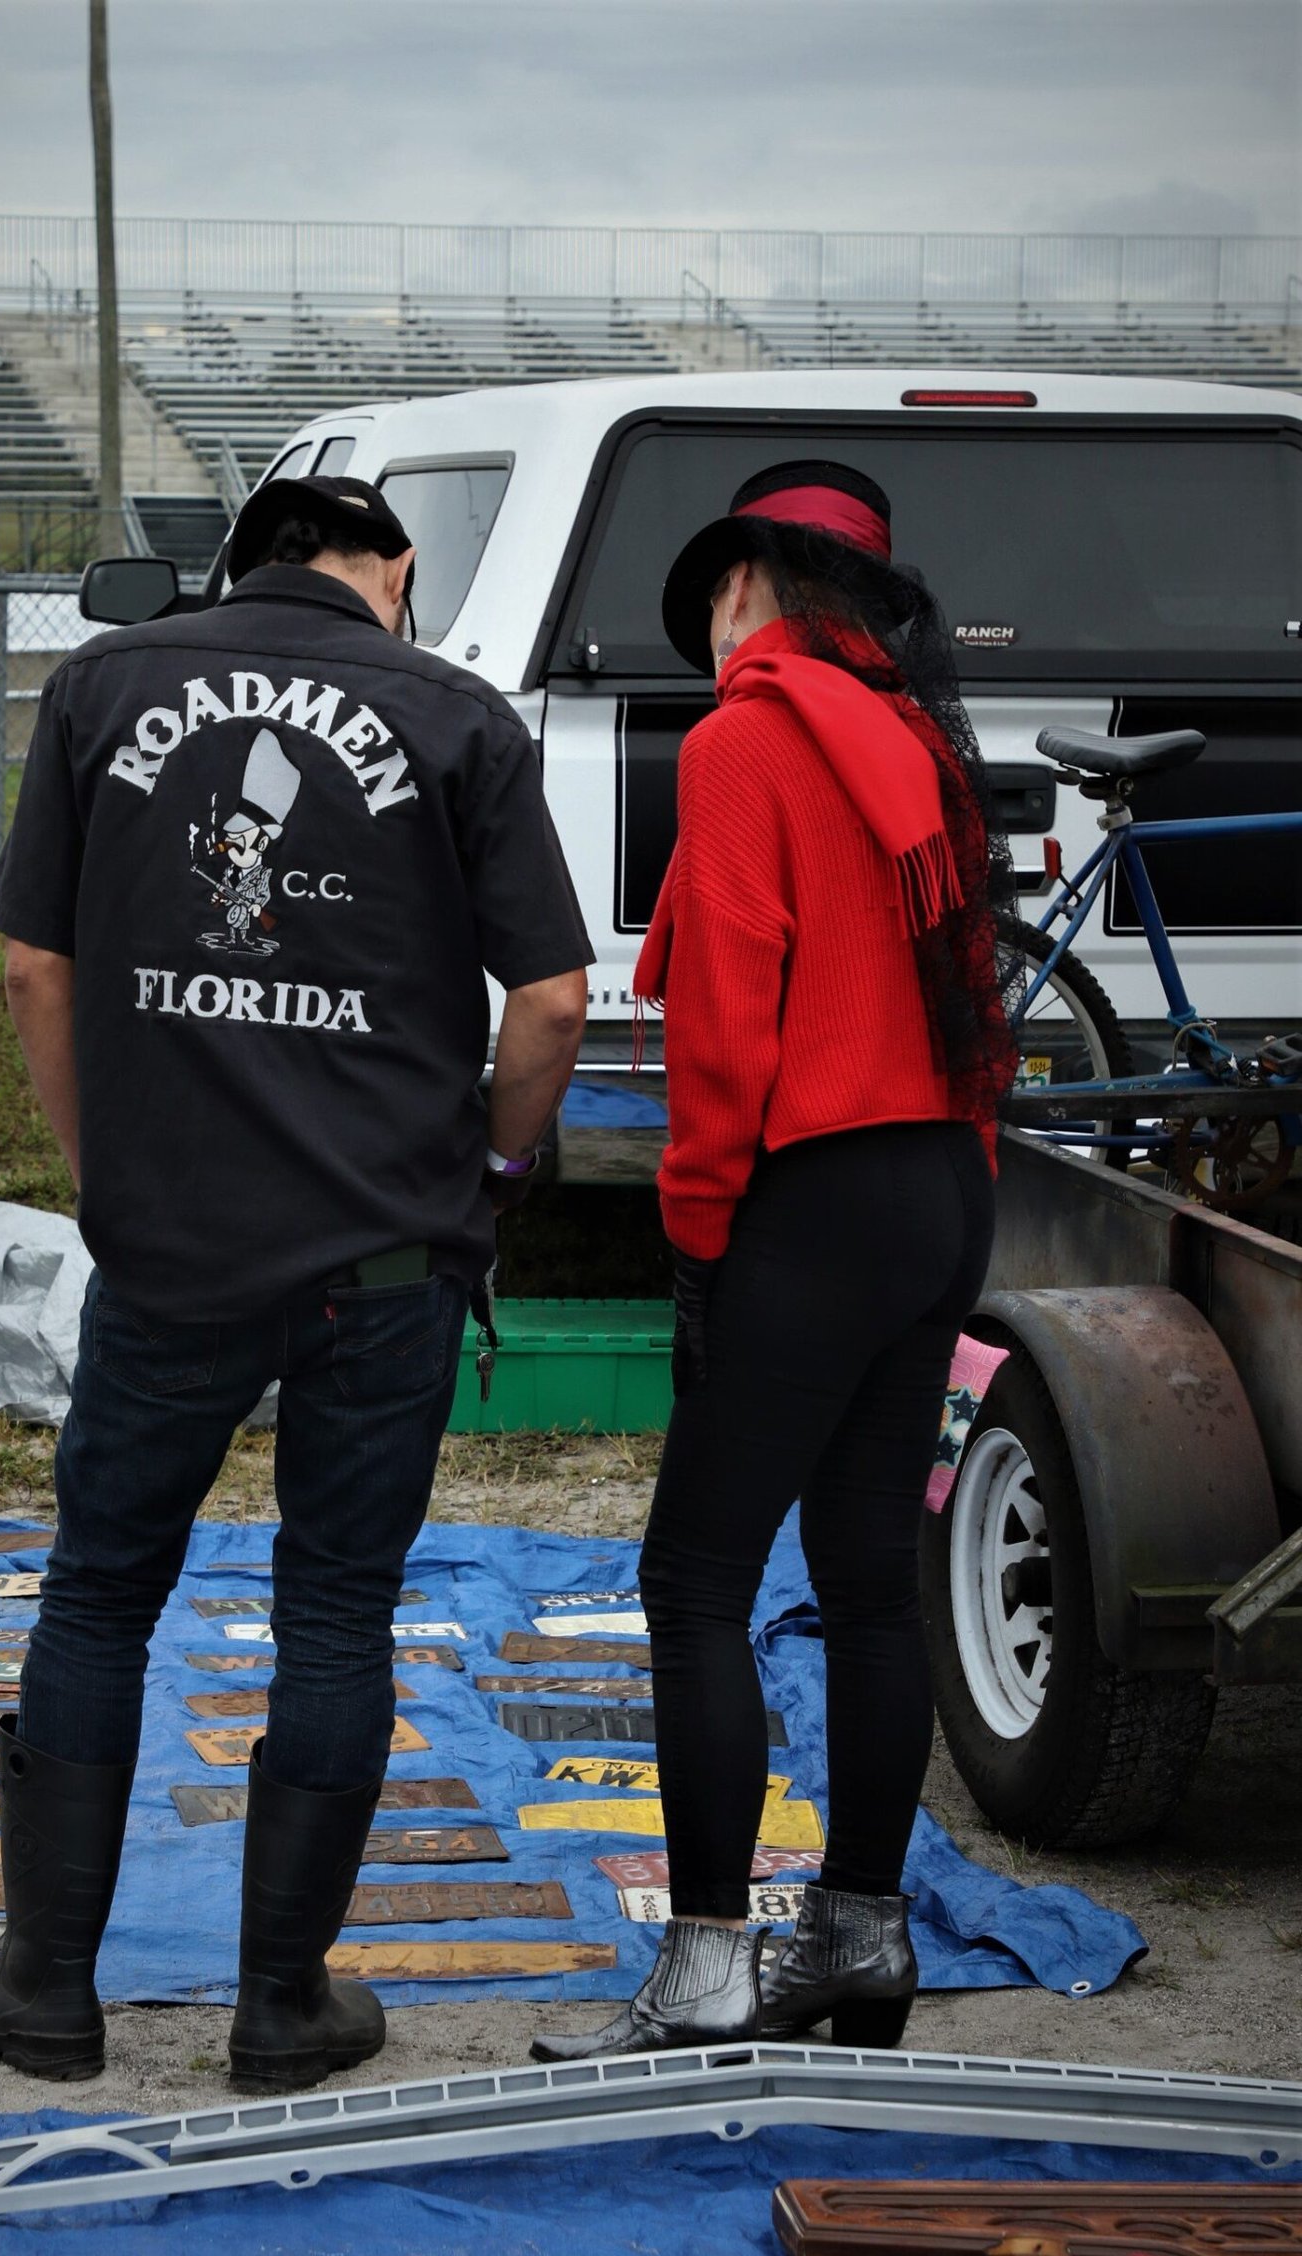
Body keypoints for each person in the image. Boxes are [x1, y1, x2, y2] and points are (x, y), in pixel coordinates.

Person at [0, 473, 591, 2089]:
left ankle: (47, 1991)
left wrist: (102, 1172)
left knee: (101, 1591)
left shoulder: (101, 686)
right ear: (394, 571)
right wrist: (494, 1178)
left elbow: (31, 966)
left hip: (175, 1246)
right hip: (385, 1252)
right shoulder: (457, 715)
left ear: (238, 566)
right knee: (338, 1610)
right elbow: (555, 1003)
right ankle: (282, 2008)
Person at [532, 461, 1018, 2064]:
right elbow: (981, 1005)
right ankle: (863, 1942)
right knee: (870, 1580)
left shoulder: (744, 739)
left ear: (751, 586)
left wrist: (696, 1233)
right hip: (941, 1185)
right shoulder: (926, 746)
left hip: (813, 1198)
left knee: (695, 1580)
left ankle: (709, 1969)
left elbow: (730, 1020)